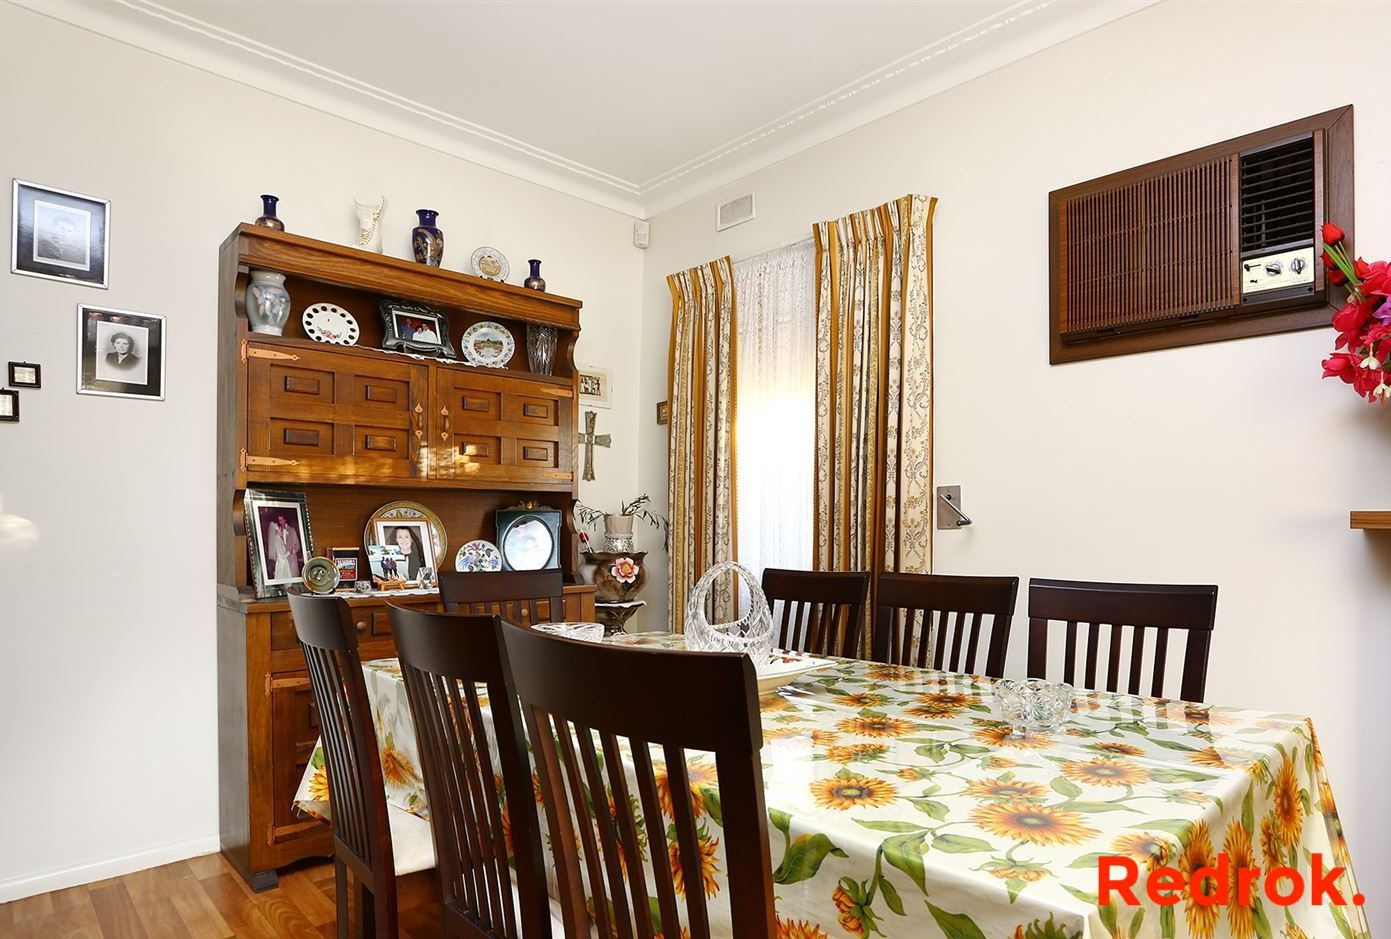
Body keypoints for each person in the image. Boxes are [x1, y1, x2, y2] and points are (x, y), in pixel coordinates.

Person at [268, 513, 302, 580]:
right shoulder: (276, 534)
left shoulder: (292, 530)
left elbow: (297, 545)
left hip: (291, 561)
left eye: (281, 520)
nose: (280, 522)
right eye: (279, 521)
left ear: (285, 520)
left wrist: (293, 551)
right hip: (282, 563)